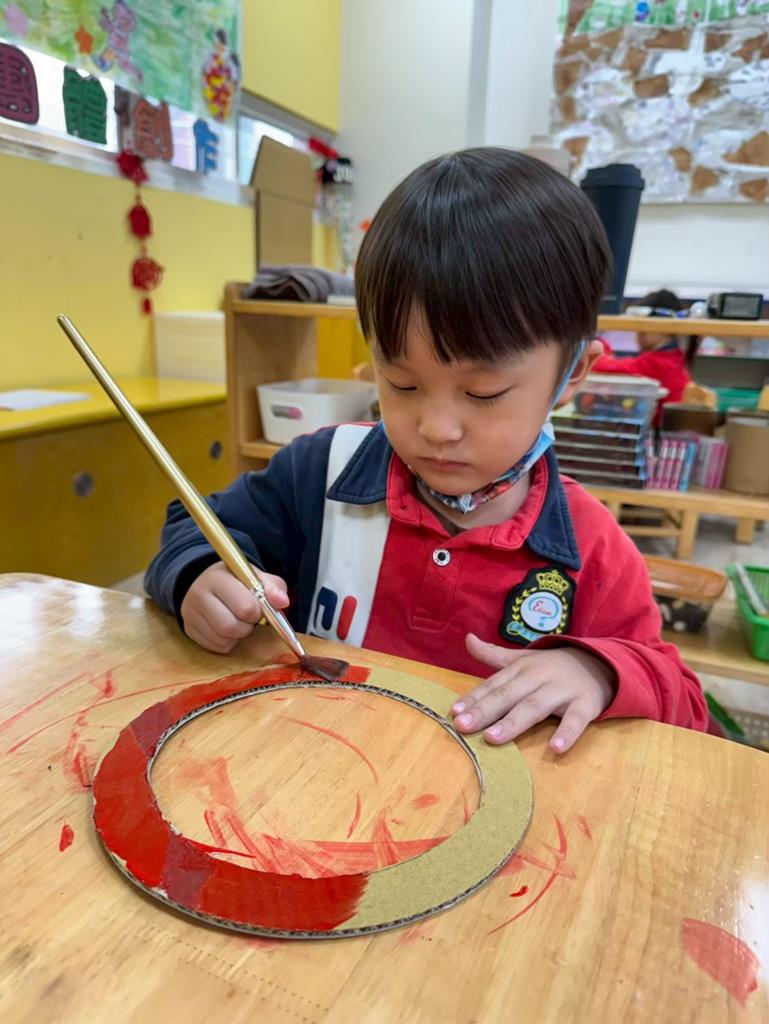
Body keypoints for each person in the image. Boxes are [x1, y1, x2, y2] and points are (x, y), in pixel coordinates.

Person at [144, 149, 708, 754]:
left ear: (573, 373)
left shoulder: (592, 549)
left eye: (483, 392)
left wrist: (595, 672)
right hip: (312, 769)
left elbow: (684, 701)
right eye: (402, 384)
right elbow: (195, 528)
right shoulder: (319, 472)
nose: (437, 429)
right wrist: (199, 577)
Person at [593, 289, 692, 423]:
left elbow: (601, 365)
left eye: (641, 327)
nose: (637, 333)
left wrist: (595, 340)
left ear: (658, 326)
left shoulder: (659, 363)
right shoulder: (672, 358)